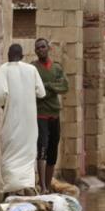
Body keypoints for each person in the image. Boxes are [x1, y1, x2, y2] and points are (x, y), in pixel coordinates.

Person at [0, 43, 46, 196]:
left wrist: (5, 105)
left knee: (10, 154)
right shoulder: (32, 70)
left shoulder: (4, 69)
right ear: (22, 56)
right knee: (28, 154)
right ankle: (28, 186)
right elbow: (41, 92)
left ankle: (10, 190)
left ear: (8, 56)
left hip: (12, 119)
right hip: (30, 122)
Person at [32, 38, 69, 194]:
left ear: (49, 48)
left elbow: (65, 86)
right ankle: (43, 187)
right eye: (38, 48)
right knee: (42, 149)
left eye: (43, 47)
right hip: (40, 115)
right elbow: (36, 92)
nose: (40, 50)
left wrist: (47, 87)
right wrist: (50, 89)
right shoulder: (33, 68)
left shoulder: (56, 68)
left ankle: (48, 186)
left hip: (54, 114)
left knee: (53, 150)